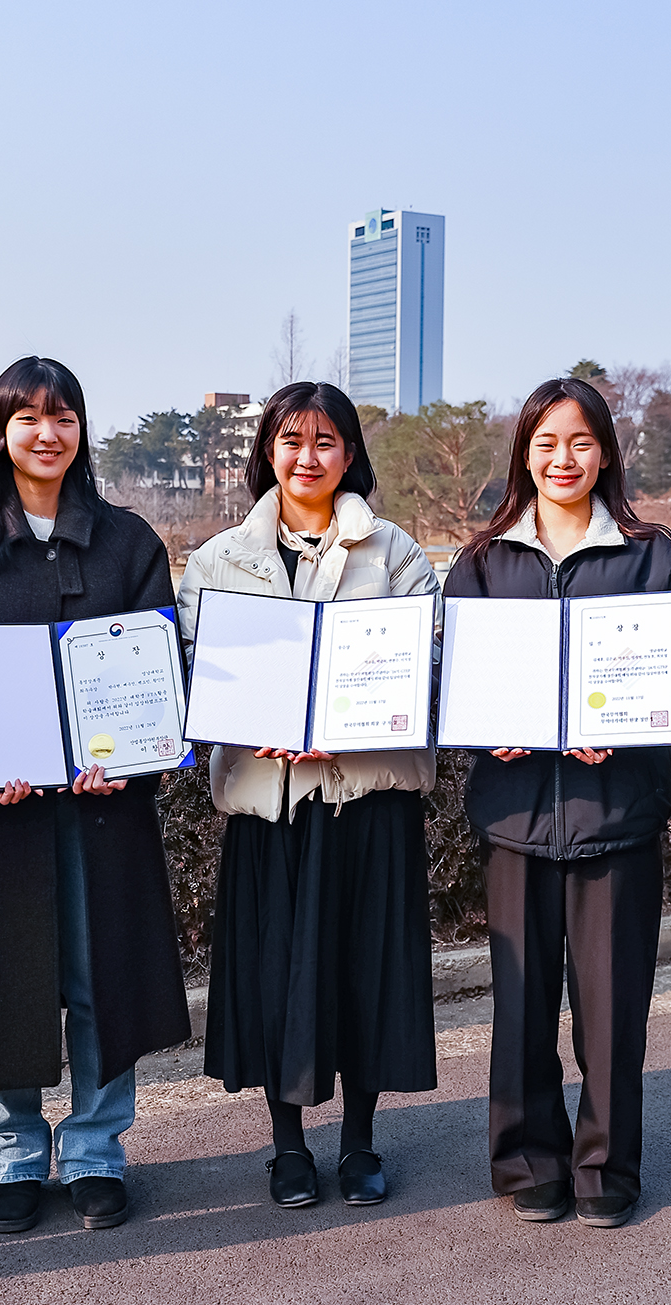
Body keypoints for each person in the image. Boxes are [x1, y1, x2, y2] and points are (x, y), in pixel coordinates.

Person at [0, 356, 190, 1236]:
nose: (46, 433)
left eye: (62, 416)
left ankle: (98, 1147)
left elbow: (158, 671)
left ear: (81, 431)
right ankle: (13, 1151)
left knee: (102, 973)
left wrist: (133, 757)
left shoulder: (128, 542)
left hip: (101, 808)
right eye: (26, 417)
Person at [176, 381, 439, 1209]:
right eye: (291, 439)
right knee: (276, 975)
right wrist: (241, 720)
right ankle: (287, 1144)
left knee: (365, 972)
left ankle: (360, 1139)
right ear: (267, 451)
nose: (307, 456)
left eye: (326, 441)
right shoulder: (221, 558)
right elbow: (194, 666)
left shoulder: (395, 552)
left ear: (351, 454)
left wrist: (350, 726)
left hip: (366, 799)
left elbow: (427, 665)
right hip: (271, 800)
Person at [443, 378, 671, 1229]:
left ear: (606, 453)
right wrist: (488, 731)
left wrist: (630, 725)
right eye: (547, 442)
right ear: (524, 451)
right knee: (519, 1002)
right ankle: (527, 1158)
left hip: (615, 812)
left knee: (613, 1004)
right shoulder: (481, 562)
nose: (563, 459)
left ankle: (607, 1165)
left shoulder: (652, 555)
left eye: (581, 442)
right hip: (514, 816)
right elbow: (453, 682)